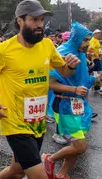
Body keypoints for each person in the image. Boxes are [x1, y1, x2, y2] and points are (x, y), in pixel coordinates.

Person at [0, 0, 80, 179]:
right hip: (14, 122)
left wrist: (70, 66)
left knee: (17, 171)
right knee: (39, 175)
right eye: (34, 20)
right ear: (20, 21)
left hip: (37, 120)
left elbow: (64, 70)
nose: (40, 25)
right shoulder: (2, 50)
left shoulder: (47, 45)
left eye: (41, 20)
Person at [42, 21, 95, 179]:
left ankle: (62, 173)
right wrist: (74, 89)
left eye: (88, 40)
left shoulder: (81, 53)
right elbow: (50, 84)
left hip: (79, 104)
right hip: (64, 104)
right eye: (84, 40)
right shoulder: (62, 52)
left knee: (76, 146)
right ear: (76, 38)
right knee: (81, 146)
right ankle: (49, 158)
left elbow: (80, 78)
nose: (87, 44)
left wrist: (91, 74)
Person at [88, 29, 102, 94]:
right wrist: (95, 55)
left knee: (100, 73)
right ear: (95, 34)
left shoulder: (97, 41)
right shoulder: (92, 40)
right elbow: (90, 49)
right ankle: (87, 85)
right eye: (98, 33)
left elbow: (99, 49)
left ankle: (99, 88)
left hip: (98, 60)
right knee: (88, 73)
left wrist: (100, 54)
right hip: (93, 60)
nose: (100, 34)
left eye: (100, 33)